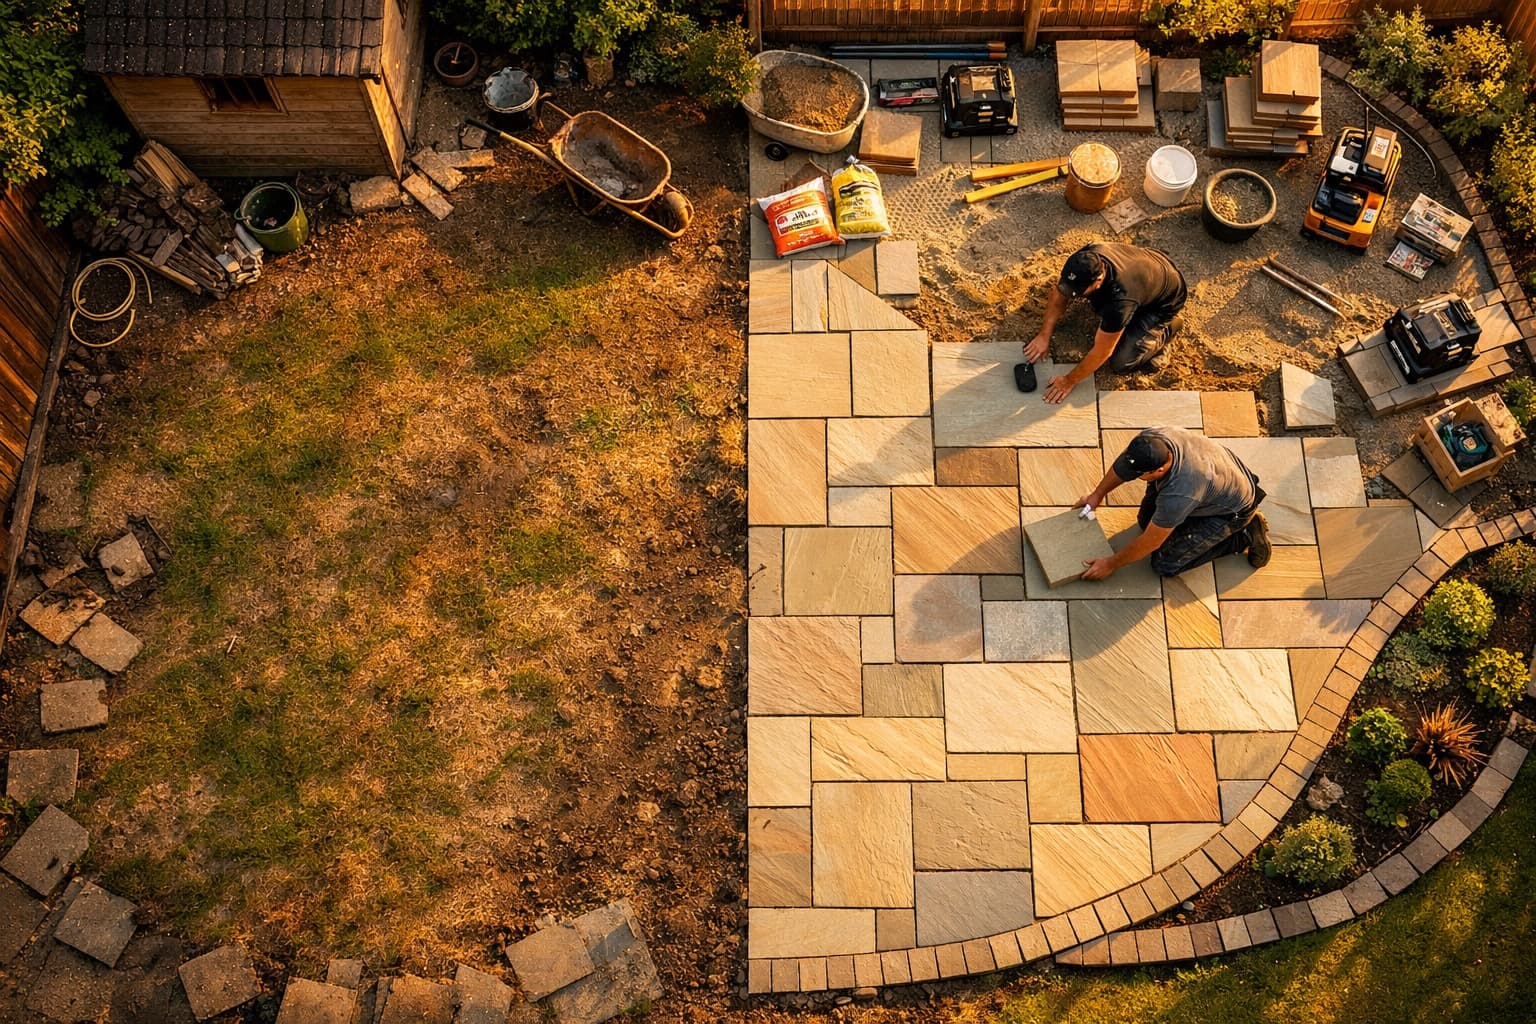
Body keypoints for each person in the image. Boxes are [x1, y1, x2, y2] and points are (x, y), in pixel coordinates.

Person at [1076, 427, 1272, 580]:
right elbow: (1124, 466)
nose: (1134, 477)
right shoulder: (1153, 439)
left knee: (1164, 563)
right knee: (1146, 522)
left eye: (1140, 475)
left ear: (1159, 470)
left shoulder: (1180, 492)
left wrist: (1110, 563)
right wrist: (1096, 495)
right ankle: (1186, 521)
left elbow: (1151, 542)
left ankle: (1243, 535)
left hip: (1232, 510)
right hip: (1217, 479)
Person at [1023, 242, 1188, 404]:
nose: (1072, 294)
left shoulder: (1120, 301)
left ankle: (1170, 328)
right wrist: (1044, 335)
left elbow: (1102, 351)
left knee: (1122, 363)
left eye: (1077, 291)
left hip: (1164, 301)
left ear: (1099, 279)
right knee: (1090, 302)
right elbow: (1059, 293)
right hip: (1148, 268)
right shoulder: (1082, 260)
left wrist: (1068, 381)